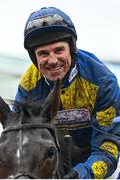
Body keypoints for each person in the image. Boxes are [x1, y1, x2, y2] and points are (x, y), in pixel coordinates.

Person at [14, 7, 120, 179]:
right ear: (34, 58)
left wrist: (79, 175)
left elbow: (107, 148)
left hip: (95, 165)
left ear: (71, 48)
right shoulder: (28, 85)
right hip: (52, 165)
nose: (53, 60)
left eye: (58, 50)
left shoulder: (103, 82)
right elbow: (18, 139)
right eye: (43, 54)